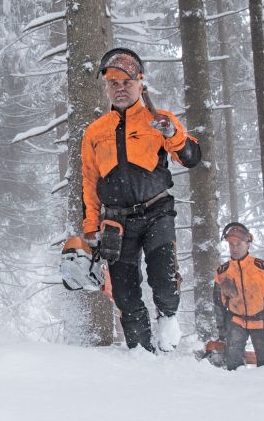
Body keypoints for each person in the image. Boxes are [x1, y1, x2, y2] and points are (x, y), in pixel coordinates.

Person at [81, 47, 202, 352]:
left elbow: (191, 157)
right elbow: (89, 181)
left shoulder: (160, 120)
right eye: (113, 83)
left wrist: (172, 133)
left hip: (157, 212)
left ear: (140, 83)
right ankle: (141, 353)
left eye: (127, 82)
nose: (120, 89)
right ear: (106, 86)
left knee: (163, 277)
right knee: (124, 293)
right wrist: (91, 227)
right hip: (115, 221)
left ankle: (169, 319)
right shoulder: (95, 132)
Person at [212, 221, 264, 370]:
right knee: (233, 365)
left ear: (248, 244)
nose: (234, 248)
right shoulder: (222, 272)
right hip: (235, 321)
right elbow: (218, 303)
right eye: (231, 244)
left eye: (238, 244)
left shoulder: (263, 268)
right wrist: (222, 330)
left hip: (260, 320)